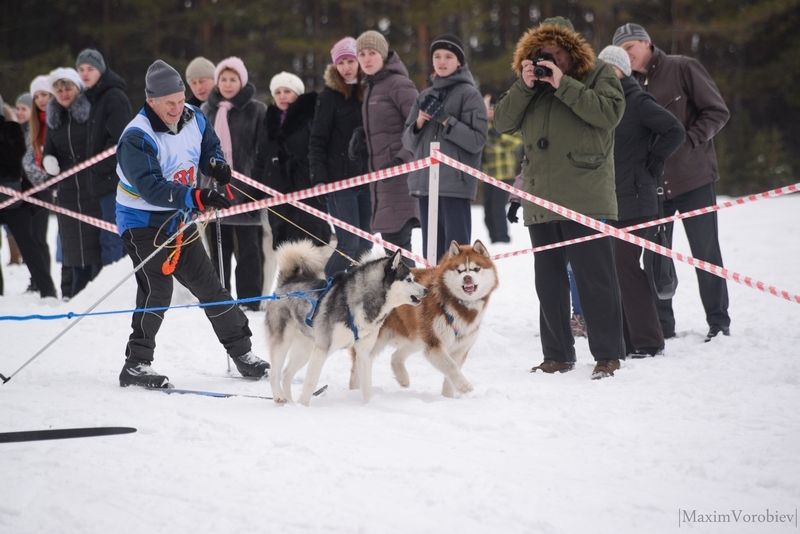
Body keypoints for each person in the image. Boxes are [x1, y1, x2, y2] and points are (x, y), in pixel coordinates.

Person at [115, 59, 269, 388]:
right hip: (142, 221)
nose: (176, 108)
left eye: (180, 99)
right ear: (151, 100)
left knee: (210, 286)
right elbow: (151, 188)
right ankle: (136, 364)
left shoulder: (194, 116)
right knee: (157, 289)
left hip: (178, 219)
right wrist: (196, 198)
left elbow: (208, 145)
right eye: (168, 103)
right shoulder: (136, 137)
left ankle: (243, 353)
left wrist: (215, 163)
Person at [493, 17, 626, 379]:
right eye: (538, 55)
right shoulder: (530, 85)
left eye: (551, 54)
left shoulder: (597, 74)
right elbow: (502, 122)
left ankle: (608, 355)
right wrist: (524, 85)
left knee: (595, 280)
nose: (544, 61)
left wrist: (562, 84)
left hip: (586, 198)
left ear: (569, 52)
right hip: (541, 200)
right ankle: (557, 354)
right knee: (549, 282)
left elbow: (610, 113)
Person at [613, 23, 731, 342]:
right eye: (620, 53)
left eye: (629, 49)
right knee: (656, 255)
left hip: (693, 178)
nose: (626, 57)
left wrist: (689, 141)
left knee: (705, 251)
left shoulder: (682, 67)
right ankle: (663, 324)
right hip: (652, 186)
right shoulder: (627, 86)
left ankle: (718, 321)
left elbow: (717, 112)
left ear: (646, 43)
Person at [598, 45, 685, 357]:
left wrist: (653, 161)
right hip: (611, 199)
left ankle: (649, 340)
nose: (604, 74)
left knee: (625, 265)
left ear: (622, 71)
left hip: (638, 198)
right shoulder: (603, 104)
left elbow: (675, 131)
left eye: (610, 69)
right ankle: (628, 338)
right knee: (615, 267)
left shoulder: (637, 100)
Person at [402, 33, 487, 262]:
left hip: (455, 186)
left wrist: (447, 120)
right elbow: (408, 142)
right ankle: (434, 298)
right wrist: (419, 123)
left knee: (457, 256)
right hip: (425, 184)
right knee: (431, 254)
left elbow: (477, 141)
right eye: (437, 56)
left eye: (448, 56)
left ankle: (459, 298)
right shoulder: (424, 96)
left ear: (459, 61)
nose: (441, 61)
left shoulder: (470, 95)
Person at [201, 56, 268, 311]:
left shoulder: (257, 110)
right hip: (213, 188)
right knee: (218, 247)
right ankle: (219, 298)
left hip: (246, 190)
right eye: (223, 79)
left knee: (249, 249)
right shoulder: (206, 110)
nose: (228, 84)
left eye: (233, 79)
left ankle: (250, 300)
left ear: (242, 81)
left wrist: (258, 186)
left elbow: (261, 149)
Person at [309, 36, 372, 277]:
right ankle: (326, 294)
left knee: (366, 245)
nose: (346, 66)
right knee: (349, 244)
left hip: (367, 179)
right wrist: (319, 179)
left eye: (351, 60)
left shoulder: (369, 91)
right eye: (341, 62)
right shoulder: (328, 97)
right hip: (338, 182)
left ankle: (356, 298)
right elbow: (317, 140)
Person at [356, 30, 419, 265]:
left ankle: (410, 301)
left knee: (399, 250)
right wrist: (362, 136)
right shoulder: (372, 86)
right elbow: (386, 127)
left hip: (400, 178)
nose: (367, 59)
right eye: (362, 54)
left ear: (383, 55)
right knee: (395, 251)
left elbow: (420, 127)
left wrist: (401, 159)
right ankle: (404, 300)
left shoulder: (398, 84)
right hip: (381, 180)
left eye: (372, 53)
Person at [42, 67, 104, 299]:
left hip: (92, 187)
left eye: (68, 88)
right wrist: (49, 162)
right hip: (67, 191)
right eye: (58, 90)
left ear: (77, 88)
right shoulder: (53, 119)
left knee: (95, 242)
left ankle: (97, 288)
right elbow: (49, 149)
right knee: (72, 244)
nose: (64, 93)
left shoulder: (90, 114)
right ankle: (74, 291)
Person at [256, 71, 331, 254]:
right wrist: (255, 190)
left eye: (287, 91)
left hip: (307, 191)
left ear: (297, 94)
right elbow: (261, 158)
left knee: (312, 250)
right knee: (286, 253)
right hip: (278, 195)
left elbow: (319, 150)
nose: (282, 96)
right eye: (278, 92)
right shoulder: (269, 122)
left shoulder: (310, 117)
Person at [76, 48, 129, 266]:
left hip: (113, 182)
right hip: (97, 183)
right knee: (102, 237)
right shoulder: (92, 97)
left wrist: (98, 169)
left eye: (90, 68)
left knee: (113, 238)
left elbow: (119, 142)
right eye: (81, 69)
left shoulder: (114, 97)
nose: (85, 73)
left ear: (101, 70)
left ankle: (116, 291)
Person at [0, 104, 57, 298]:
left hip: (16, 199)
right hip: (12, 196)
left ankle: (47, 290)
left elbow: (16, 161)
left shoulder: (11, 129)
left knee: (30, 246)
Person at [21, 77, 55, 293]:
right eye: (37, 97)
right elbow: (27, 157)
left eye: (44, 95)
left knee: (40, 237)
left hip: (46, 187)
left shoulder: (55, 120)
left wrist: (45, 179)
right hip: (30, 186)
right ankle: (37, 280)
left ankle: (45, 285)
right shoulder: (32, 125)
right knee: (31, 237)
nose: (41, 100)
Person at [481, 92, 522, 244]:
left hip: (504, 174)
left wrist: (498, 134)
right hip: (488, 174)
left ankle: (502, 239)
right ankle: (493, 240)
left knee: (497, 209)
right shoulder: (484, 126)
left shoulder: (506, 124)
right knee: (488, 210)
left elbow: (517, 142)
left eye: (492, 109)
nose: (490, 112)